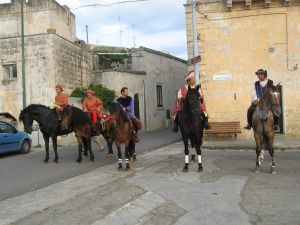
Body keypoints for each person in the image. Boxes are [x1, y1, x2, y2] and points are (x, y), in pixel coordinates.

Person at [244, 68, 280, 133]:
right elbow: (253, 91)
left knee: (276, 110)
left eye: (260, 74)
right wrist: (256, 99)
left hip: (268, 101)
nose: (258, 76)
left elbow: (273, 90)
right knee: (250, 109)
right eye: (258, 74)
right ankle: (249, 124)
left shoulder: (270, 82)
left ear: (264, 74)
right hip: (258, 101)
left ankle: (276, 125)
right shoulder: (256, 84)